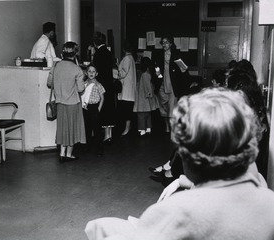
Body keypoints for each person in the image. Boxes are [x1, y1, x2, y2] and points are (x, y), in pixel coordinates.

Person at [85, 87, 274, 240]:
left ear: (189, 158)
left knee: (96, 227)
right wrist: (186, 182)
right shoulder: (267, 199)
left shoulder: (177, 211)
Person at [47, 41, 86, 161]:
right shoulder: (77, 69)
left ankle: (62, 154)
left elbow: (49, 83)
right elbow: (80, 89)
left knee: (63, 128)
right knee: (72, 128)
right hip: (73, 103)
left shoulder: (56, 66)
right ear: (75, 54)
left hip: (60, 102)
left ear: (62, 53)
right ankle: (69, 154)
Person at [153, 36, 191, 132]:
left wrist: (183, 69)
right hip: (162, 84)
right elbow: (156, 68)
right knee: (164, 107)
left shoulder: (176, 55)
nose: (164, 44)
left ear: (171, 44)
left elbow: (184, 70)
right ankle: (166, 126)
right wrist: (158, 76)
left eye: (166, 42)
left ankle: (172, 127)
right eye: (163, 42)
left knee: (172, 107)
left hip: (173, 85)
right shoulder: (159, 55)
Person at [92, 32, 116, 143]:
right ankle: (109, 134)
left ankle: (106, 136)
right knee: (110, 108)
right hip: (110, 84)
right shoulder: (108, 52)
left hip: (102, 84)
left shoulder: (97, 54)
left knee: (104, 109)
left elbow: (96, 70)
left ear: (95, 42)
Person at [81, 64, 105, 156]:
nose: (91, 73)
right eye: (89, 71)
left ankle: (99, 148)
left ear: (97, 73)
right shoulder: (84, 84)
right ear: (86, 73)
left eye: (93, 71)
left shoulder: (98, 85)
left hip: (95, 107)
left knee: (97, 129)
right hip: (86, 107)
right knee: (87, 128)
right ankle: (87, 146)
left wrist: (98, 108)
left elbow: (102, 98)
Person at [133, 57, 159, 136]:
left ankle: (142, 129)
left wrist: (149, 94)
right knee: (148, 114)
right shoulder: (148, 73)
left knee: (141, 114)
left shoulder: (143, 74)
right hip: (148, 97)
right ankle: (148, 128)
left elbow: (147, 86)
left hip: (143, 97)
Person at [117, 41, 137, 136]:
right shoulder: (131, 58)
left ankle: (127, 128)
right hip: (129, 88)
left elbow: (122, 74)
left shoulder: (126, 59)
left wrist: (117, 68)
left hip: (126, 89)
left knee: (127, 110)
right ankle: (128, 127)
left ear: (124, 49)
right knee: (128, 109)